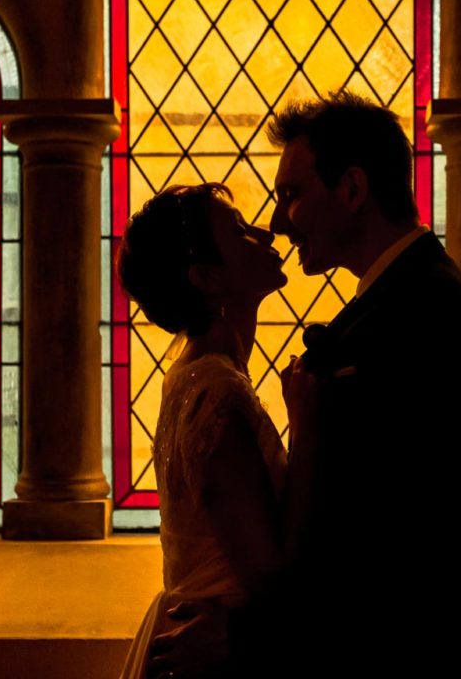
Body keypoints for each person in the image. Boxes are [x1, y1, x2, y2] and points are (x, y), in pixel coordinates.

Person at [148, 92, 461, 678]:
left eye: (292, 194)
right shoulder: (402, 304)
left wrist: (242, 636)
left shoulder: (424, 314)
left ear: (353, 190)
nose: (277, 221)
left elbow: (389, 546)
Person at [115, 182, 313, 679]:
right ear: (206, 276)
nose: (266, 233)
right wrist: (310, 429)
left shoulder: (193, 375)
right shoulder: (218, 395)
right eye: (241, 232)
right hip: (222, 649)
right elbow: (269, 576)